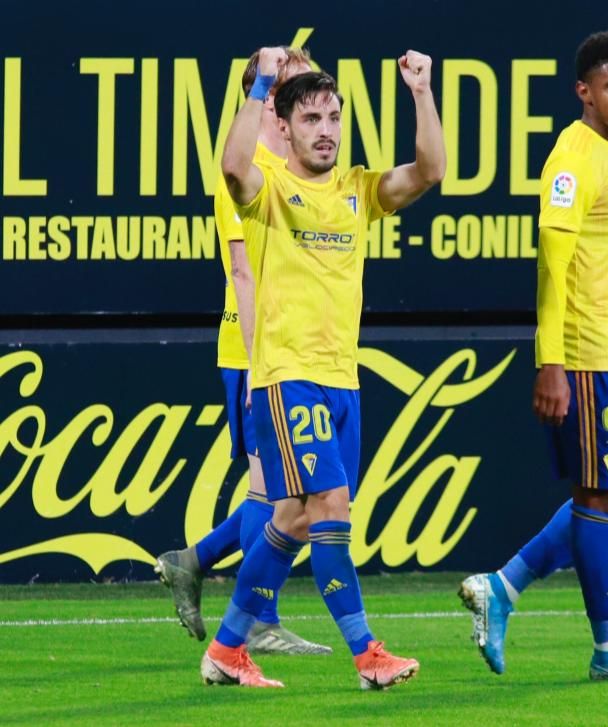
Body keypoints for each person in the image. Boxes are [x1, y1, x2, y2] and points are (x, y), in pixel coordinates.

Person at [199, 47, 444, 689]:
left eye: (334, 116)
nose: (327, 129)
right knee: (330, 506)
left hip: (343, 380)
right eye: (311, 118)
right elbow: (231, 165)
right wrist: (261, 88)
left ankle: (226, 650)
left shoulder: (357, 189)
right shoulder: (269, 189)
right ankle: (368, 655)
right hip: (288, 375)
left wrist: (421, 91)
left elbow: (430, 169)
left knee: (294, 519)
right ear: (285, 125)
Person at [459, 30, 608, 682]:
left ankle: (503, 584)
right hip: (584, 355)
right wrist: (550, 361)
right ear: (583, 91)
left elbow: (605, 239)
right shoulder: (571, 159)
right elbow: (553, 263)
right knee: (595, 497)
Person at [155, 47, 330, 656]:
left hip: (297, 347)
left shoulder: (298, 163)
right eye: (291, 84)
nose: (303, 101)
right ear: (266, 95)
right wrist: (262, 366)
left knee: (287, 496)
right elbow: (244, 274)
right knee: (286, 497)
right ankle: (254, 619)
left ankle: (194, 562)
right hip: (256, 348)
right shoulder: (246, 163)